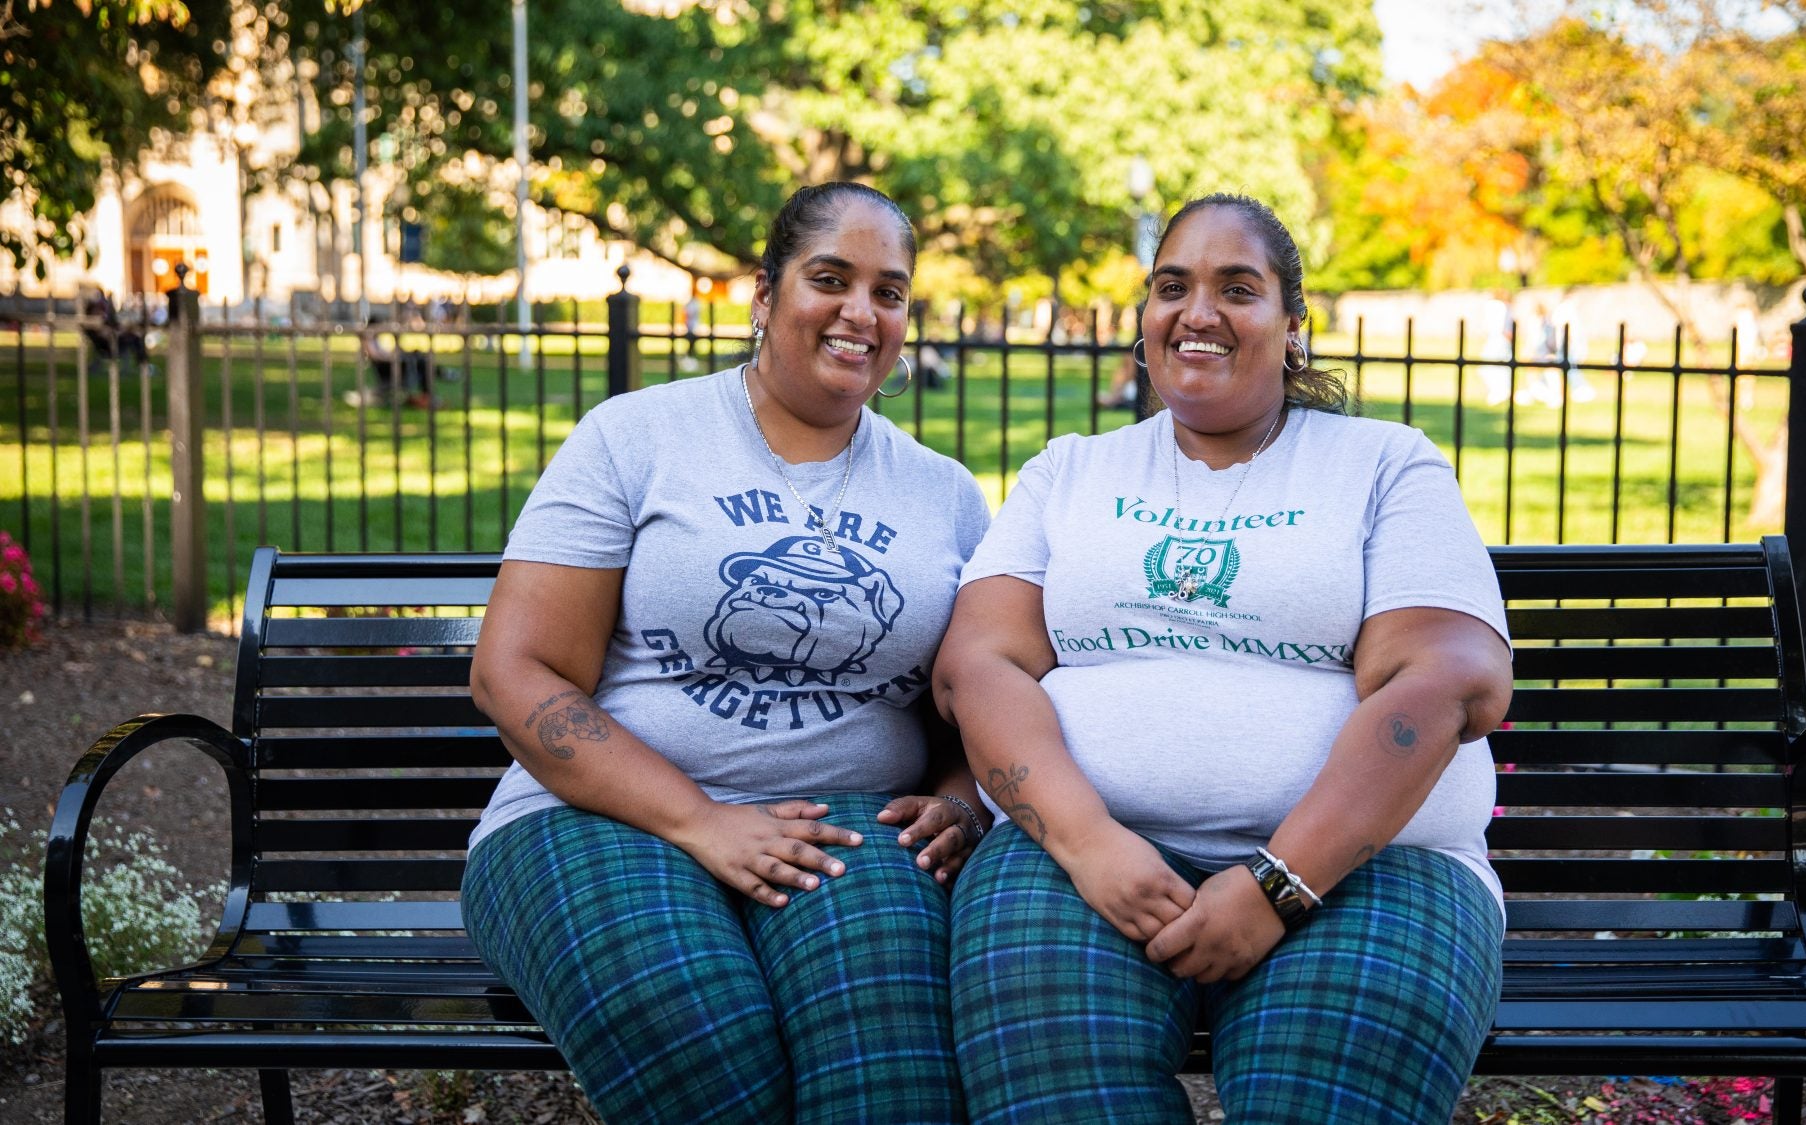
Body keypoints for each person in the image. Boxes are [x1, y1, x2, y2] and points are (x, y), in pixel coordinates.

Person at [935, 193, 1513, 1125]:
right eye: (1173, 287)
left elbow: (1447, 680)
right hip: (1078, 862)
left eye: (1236, 289)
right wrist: (1088, 843)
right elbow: (979, 664)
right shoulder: (1070, 471)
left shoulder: (1384, 465)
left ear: (1293, 326)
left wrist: (1282, 882)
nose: (1196, 313)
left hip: (1372, 872)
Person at [461, 182, 992, 1124]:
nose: (860, 313)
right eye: (830, 278)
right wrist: (702, 820)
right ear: (764, 290)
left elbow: (964, 699)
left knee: (890, 1059)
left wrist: (956, 800)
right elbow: (515, 672)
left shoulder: (942, 494)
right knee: (703, 1033)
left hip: (847, 824)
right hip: (589, 814)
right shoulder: (637, 438)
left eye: (890, 291)